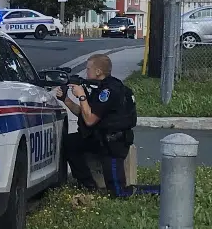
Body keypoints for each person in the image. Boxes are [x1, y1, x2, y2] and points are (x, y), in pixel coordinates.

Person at [56, 54, 160, 198]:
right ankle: (88, 185)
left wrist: (82, 96)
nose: (86, 72)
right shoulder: (99, 88)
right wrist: (66, 100)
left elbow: (90, 120)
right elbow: (85, 113)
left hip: (113, 144)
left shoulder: (109, 91)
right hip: (99, 139)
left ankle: (159, 190)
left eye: (88, 69)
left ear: (98, 71)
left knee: (118, 192)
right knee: (70, 142)